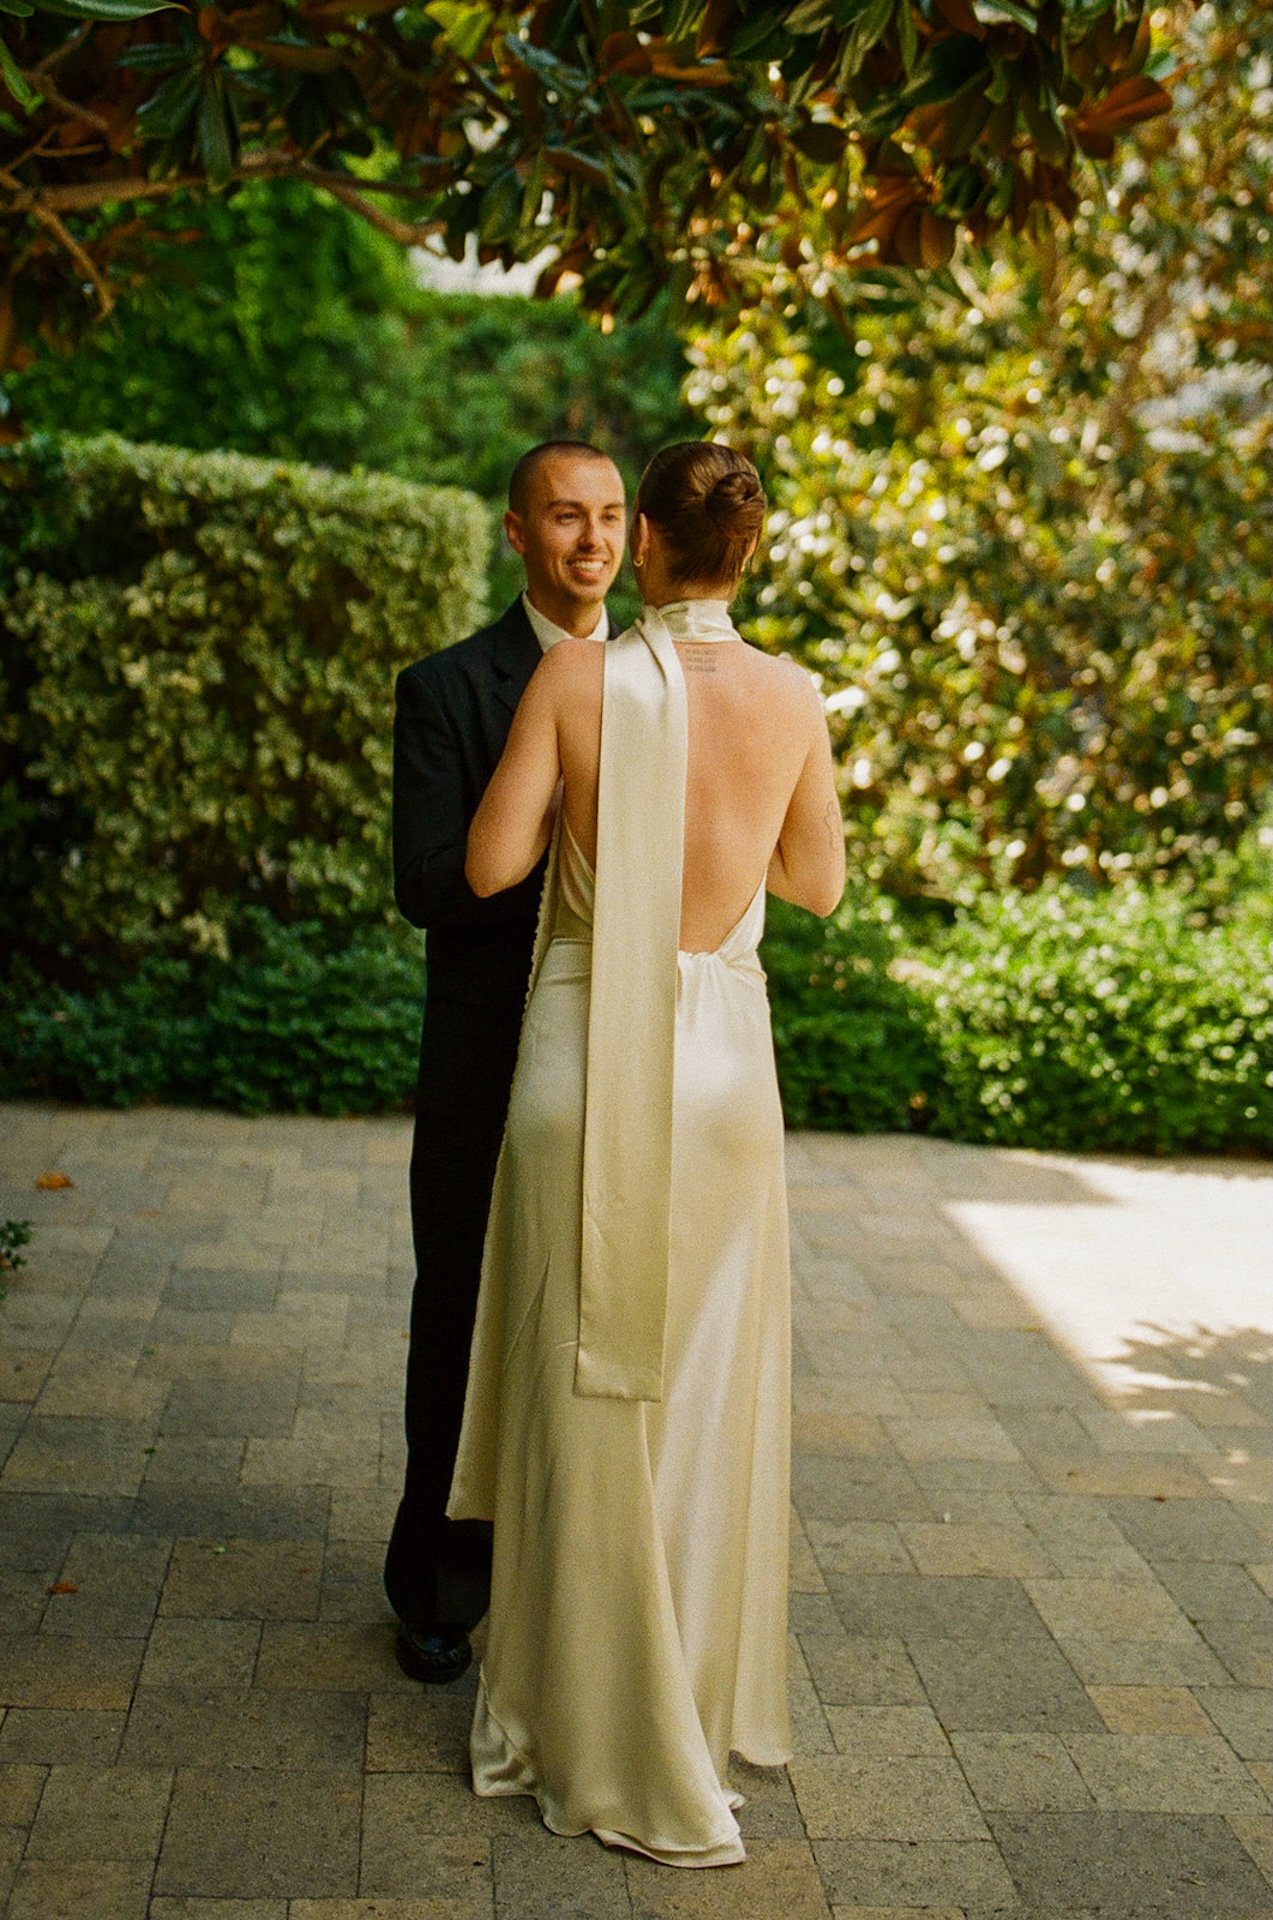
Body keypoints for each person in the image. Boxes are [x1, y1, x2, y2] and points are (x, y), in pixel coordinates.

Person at [447, 441, 845, 1864]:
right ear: (745, 553)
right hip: (726, 1071)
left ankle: (568, 1710)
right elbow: (816, 882)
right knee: (695, 1393)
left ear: (652, 549)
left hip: (585, 1054)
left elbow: (490, 868)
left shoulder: (574, 678)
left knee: (579, 1384)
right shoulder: (797, 696)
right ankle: (676, 1696)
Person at [385, 441, 626, 1684]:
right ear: (515, 534)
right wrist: (554, 863)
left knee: (596, 1318)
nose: (592, 539)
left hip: (619, 1047)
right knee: (463, 1313)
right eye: (564, 517)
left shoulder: (660, 682)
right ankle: (435, 1584)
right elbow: (427, 884)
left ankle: (567, 1577)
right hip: (489, 1052)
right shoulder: (445, 689)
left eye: (610, 516)